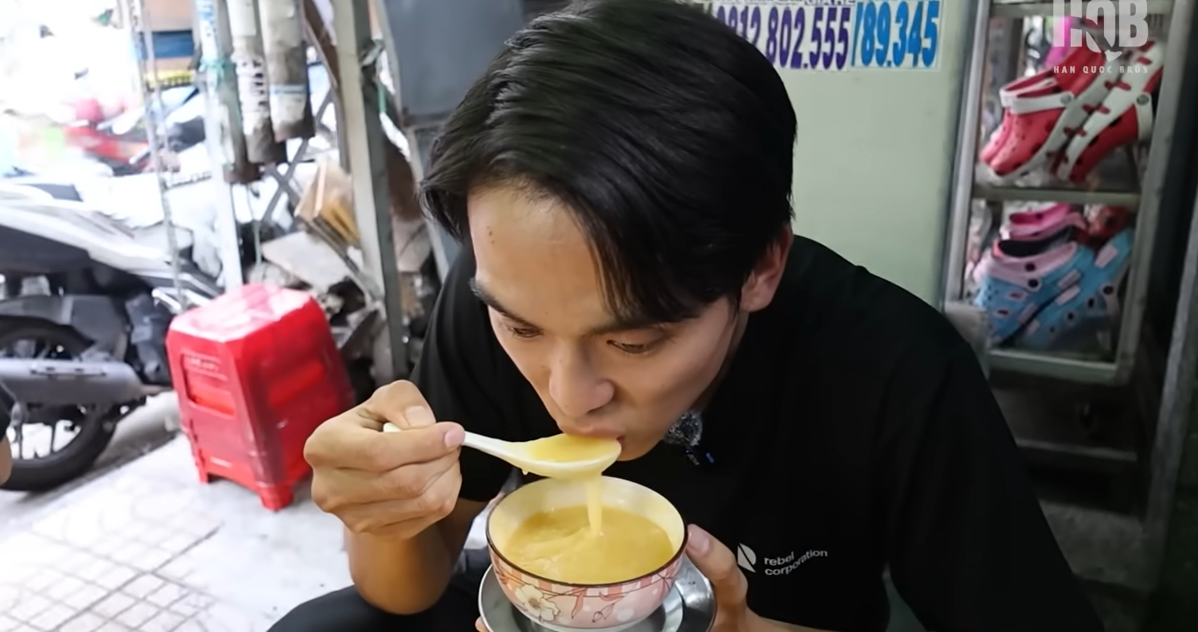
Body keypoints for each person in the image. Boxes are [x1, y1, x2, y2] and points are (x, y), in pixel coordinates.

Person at [272, 1, 1104, 631]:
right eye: (523, 330)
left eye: (635, 340)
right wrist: (381, 514)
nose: (570, 393)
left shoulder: (894, 373)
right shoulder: (497, 298)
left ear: (760, 267)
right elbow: (404, 589)